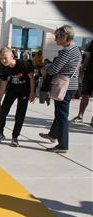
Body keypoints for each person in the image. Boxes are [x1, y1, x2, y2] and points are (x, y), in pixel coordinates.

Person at [39, 25, 82, 153]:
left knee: (62, 115)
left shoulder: (67, 51)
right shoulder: (76, 49)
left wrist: (46, 66)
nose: (55, 40)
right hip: (70, 85)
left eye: (57, 37)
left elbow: (53, 70)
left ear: (64, 37)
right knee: (59, 113)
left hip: (64, 86)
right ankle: (53, 134)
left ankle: (63, 145)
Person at [0, 47, 35, 147]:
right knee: (2, 112)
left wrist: (32, 93)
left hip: (24, 92)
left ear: (12, 56)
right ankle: (0, 133)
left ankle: (15, 137)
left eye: (5, 58)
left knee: (20, 115)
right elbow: (3, 84)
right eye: (1, 59)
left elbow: (31, 78)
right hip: (12, 91)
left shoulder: (23, 64)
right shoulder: (5, 68)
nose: (3, 61)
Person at [70, 40, 93, 126]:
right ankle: (80, 116)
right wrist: (82, 68)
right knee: (85, 94)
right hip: (90, 72)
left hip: (89, 72)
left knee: (85, 94)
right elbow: (88, 56)